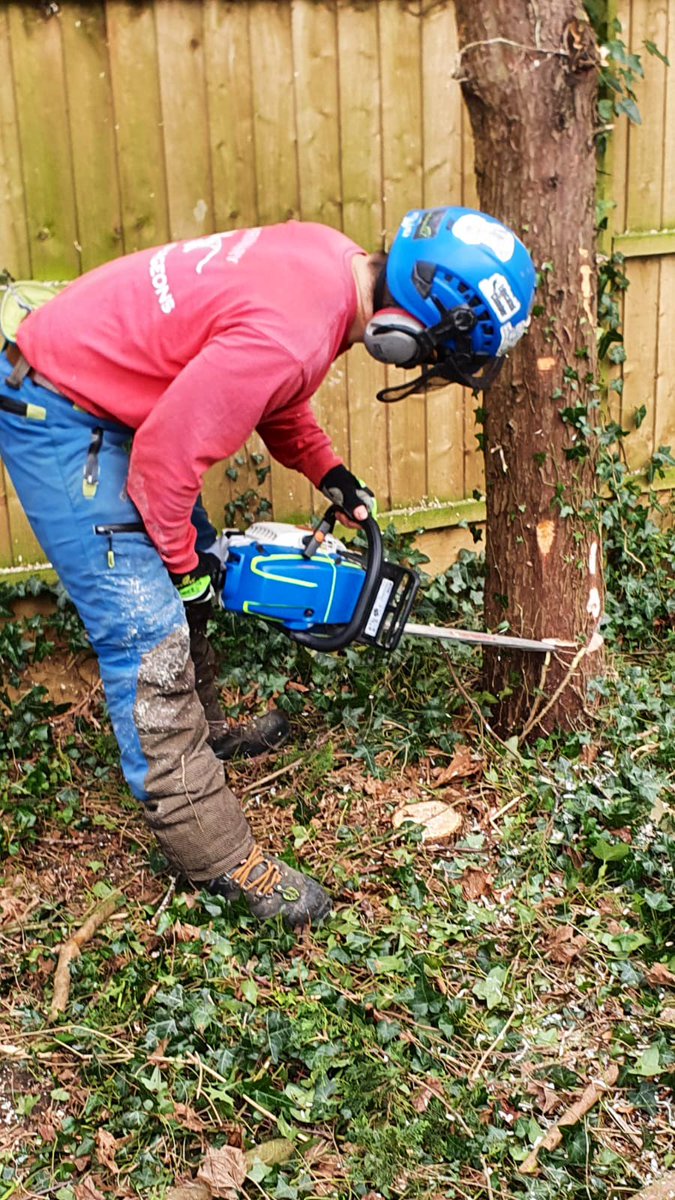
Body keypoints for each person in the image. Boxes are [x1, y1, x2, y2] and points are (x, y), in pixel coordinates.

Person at [0, 207, 535, 927]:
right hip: (58, 405)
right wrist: (188, 575)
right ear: (402, 331)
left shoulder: (329, 263)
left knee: (189, 550)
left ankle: (207, 726)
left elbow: (266, 389)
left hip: (103, 388)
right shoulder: (290, 333)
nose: (425, 366)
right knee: (145, 627)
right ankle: (213, 854)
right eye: (433, 354)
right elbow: (164, 468)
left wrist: (329, 472)